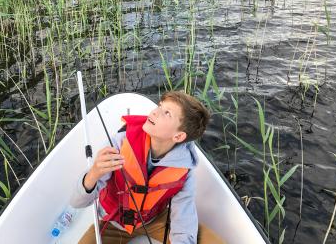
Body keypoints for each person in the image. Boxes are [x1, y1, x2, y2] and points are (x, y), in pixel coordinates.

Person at [70, 91, 224, 244]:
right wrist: (94, 173)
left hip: (157, 221)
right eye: (159, 106)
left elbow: (183, 222)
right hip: (112, 222)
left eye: (167, 113)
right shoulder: (120, 143)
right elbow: (77, 202)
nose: (155, 112)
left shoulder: (185, 169)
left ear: (178, 137)